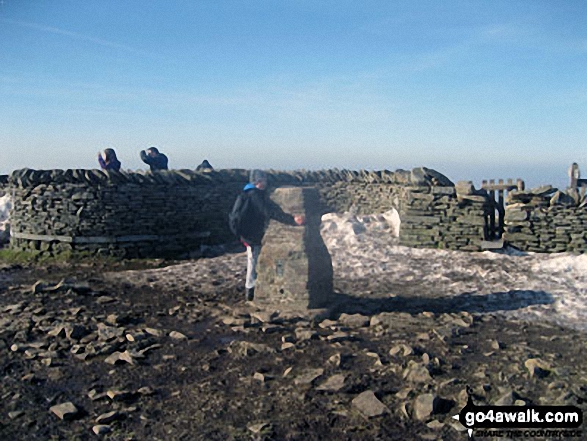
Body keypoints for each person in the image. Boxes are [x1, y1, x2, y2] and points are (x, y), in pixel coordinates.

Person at [231, 169, 304, 301]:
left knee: (254, 259)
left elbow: (269, 208)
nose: (266, 182)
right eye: (264, 180)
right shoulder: (254, 195)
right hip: (251, 235)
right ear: (258, 181)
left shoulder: (252, 193)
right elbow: (268, 212)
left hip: (251, 234)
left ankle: (253, 289)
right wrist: (292, 220)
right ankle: (250, 292)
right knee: (253, 261)